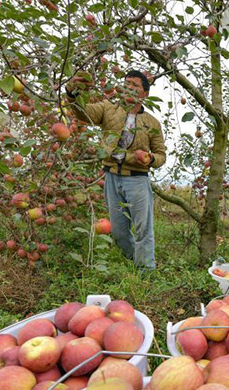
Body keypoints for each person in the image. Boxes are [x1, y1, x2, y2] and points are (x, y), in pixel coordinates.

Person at [65, 70, 166, 269]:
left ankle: (146, 270)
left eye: (135, 85)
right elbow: (82, 112)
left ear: (145, 93)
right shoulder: (108, 108)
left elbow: (161, 155)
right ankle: (130, 261)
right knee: (119, 230)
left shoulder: (152, 123)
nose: (129, 87)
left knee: (143, 228)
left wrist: (150, 158)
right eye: (126, 83)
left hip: (137, 179)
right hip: (111, 176)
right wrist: (72, 91)